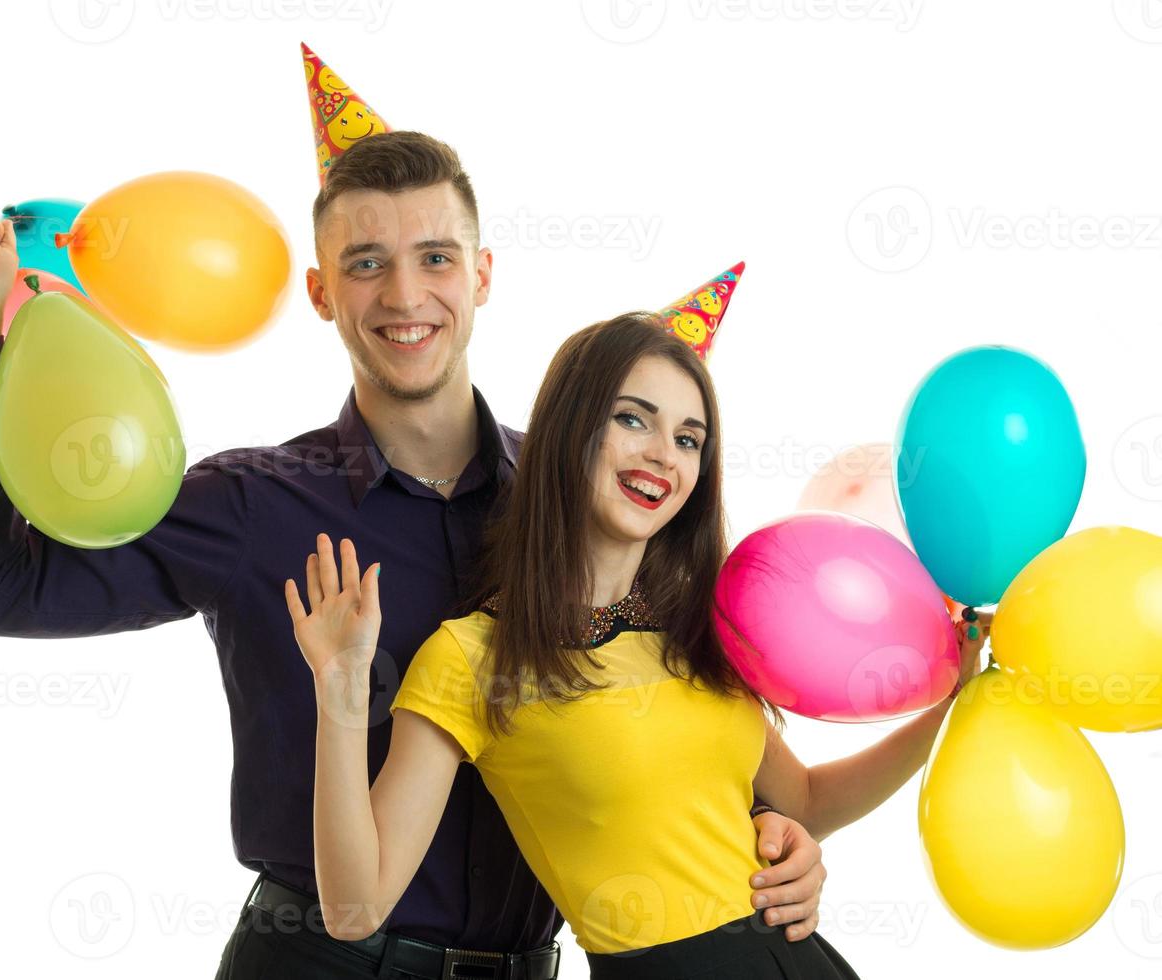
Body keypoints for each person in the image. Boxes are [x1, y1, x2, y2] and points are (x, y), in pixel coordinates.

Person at [0, 132, 830, 979]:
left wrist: (776, 837)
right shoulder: (252, 505)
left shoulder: (589, 503)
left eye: (435, 258)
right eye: (365, 264)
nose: (403, 296)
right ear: (321, 292)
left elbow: (665, 727)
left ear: (481, 277)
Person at [285, 312, 990, 978]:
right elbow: (356, 908)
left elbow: (802, 800)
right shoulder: (472, 657)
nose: (663, 456)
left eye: (689, 438)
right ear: (569, 431)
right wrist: (343, 693)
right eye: (633, 420)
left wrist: (953, 701)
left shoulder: (699, 634)